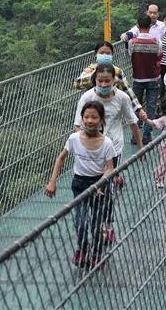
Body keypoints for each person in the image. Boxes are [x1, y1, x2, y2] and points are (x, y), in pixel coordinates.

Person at [73, 64, 142, 244]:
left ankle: (106, 223)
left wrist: (141, 146)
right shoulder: (87, 97)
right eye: (100, 81)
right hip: (91, 150)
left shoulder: (122, 98)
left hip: (113, 149)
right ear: (94, 80)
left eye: (107, 81)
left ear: (114, 82)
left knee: (107, 190)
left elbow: (132, 122)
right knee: (93, 189)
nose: (103, 84)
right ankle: (91, 228)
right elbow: (78, 124)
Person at [46, 101, 115, 269]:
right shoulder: (74, 139)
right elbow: (60, 158)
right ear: (82, 118)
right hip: (80, 183)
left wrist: (100, 184)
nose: (90, 121)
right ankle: (83, 250)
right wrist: (52, 182)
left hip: (99, 185)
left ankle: (97, 254)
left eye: (94, 117)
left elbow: (109, 168)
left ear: (101, 120)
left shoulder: (106, 143)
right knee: (81, 221)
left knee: (96, 223)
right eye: (86, 117)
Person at [73, 41, 147, 122]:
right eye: (101, 53)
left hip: (112, 110)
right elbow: (77, 84)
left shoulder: (117, 72)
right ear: (96, 54)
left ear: (112, 55)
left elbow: (127, 91)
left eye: (108, 53)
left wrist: (139, 109)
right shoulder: (90, 70)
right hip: (93, 111)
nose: (105, 55)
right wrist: (95, 75)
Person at [128, 13, 161, 144]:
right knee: (151, 107)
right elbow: (159, 54)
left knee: (136, 107)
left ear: (138, 25)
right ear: (150, 25)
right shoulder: (156, 42)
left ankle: (135, 136)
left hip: (138, 79)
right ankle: (147, 135)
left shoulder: (132, 42)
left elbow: (130, 54)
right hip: (153, 78)